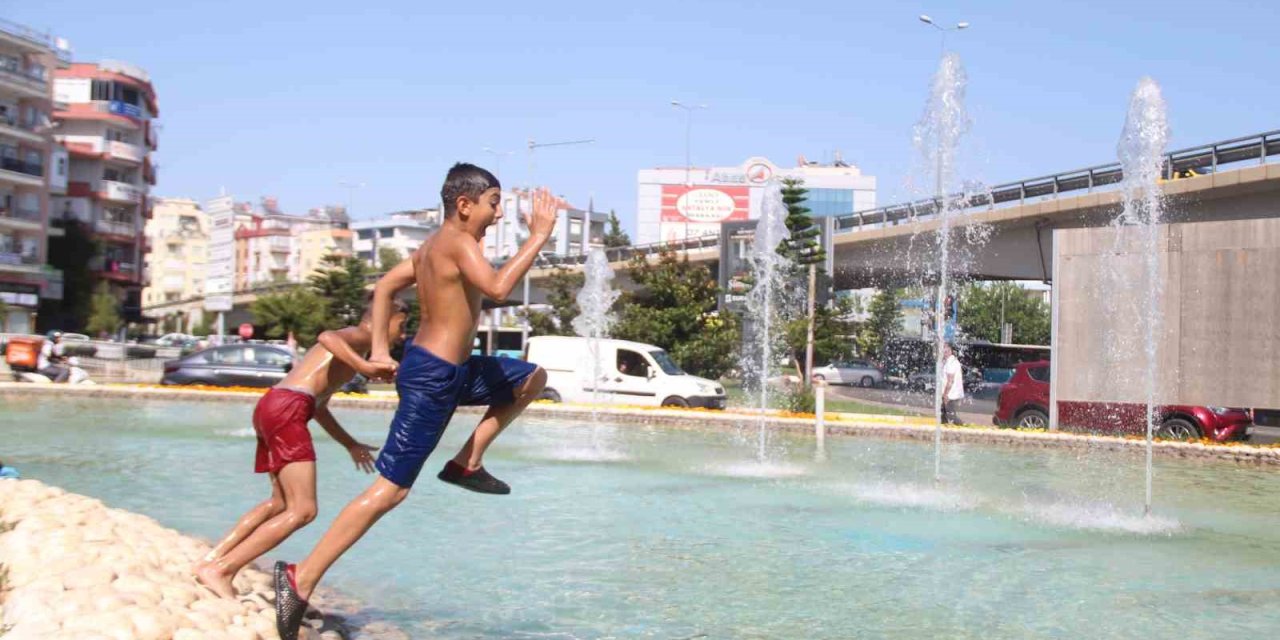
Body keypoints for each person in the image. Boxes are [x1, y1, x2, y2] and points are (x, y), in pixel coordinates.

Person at [273, 163, 554, 639]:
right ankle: (302, 577)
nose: (499, 213)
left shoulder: (431, 248)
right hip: (431, 379)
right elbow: (500, 288)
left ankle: (468, 460)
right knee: (390, 489)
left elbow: (383, 287)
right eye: (493, 203)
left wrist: (382, 349)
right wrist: (540, 235)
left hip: (452, 371)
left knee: (531, 377)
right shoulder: (458, 244)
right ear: (464, 205)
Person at [193, 299, 409, 599]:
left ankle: (213, 558)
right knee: (303, 510)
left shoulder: (354, 350)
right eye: (401, 326)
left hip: (276, 404)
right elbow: (326, 336)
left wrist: (350, 444)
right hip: (288, 408)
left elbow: (318, 408)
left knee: (280, 504)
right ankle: (222, 570)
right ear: (381, 320)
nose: (402, 336)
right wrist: (364, 365)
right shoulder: (360, 336)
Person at [940, 343, 965, 425]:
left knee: (951, 416)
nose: (943, 351)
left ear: (950, 351)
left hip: (950, 394)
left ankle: (963, 427)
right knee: (943, 415)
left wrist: (945, 395)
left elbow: (950, 380)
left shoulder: (951, 363)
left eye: (945, 349)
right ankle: (944, 430)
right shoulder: (951, 361)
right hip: (950, 393)